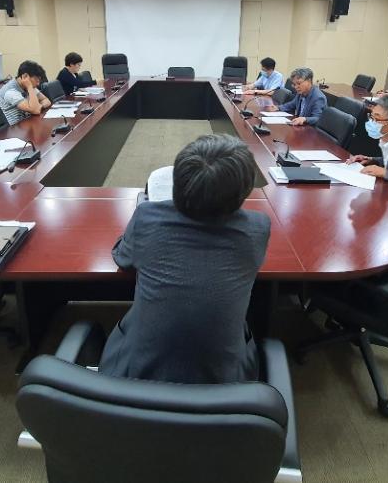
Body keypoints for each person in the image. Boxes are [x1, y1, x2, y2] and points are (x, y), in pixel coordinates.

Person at [99, 134, 270, 384]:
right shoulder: (258, 228)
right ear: (243, 194)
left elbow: (123, 258)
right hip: (224, 384)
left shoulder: (147, 216)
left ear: (177, 184)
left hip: (137, 376)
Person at [0, 60, 51, 126]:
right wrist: (30, 87)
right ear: (25, 77)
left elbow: (46, 100)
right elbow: (36, 110)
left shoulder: (28, 86)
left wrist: (40, 106)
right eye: (36, 80)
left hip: (25, 123)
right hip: (13, 128)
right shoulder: (10, 91)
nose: (38, 84)